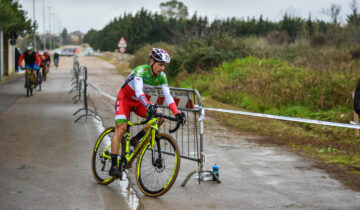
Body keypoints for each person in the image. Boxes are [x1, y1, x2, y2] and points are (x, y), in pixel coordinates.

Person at [109, 48, 186, 177]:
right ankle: (113, 165)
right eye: (160, 64)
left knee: (160, 117)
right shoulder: (141, 71)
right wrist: (147, 105)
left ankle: (136, 138)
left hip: (140, 103)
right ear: (151, 61)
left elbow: (168, 97)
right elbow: (139, 91)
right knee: (121, 128)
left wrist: (177, 113)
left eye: (164, 66)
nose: (162, 68)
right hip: (125, 101)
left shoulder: (162, 77)